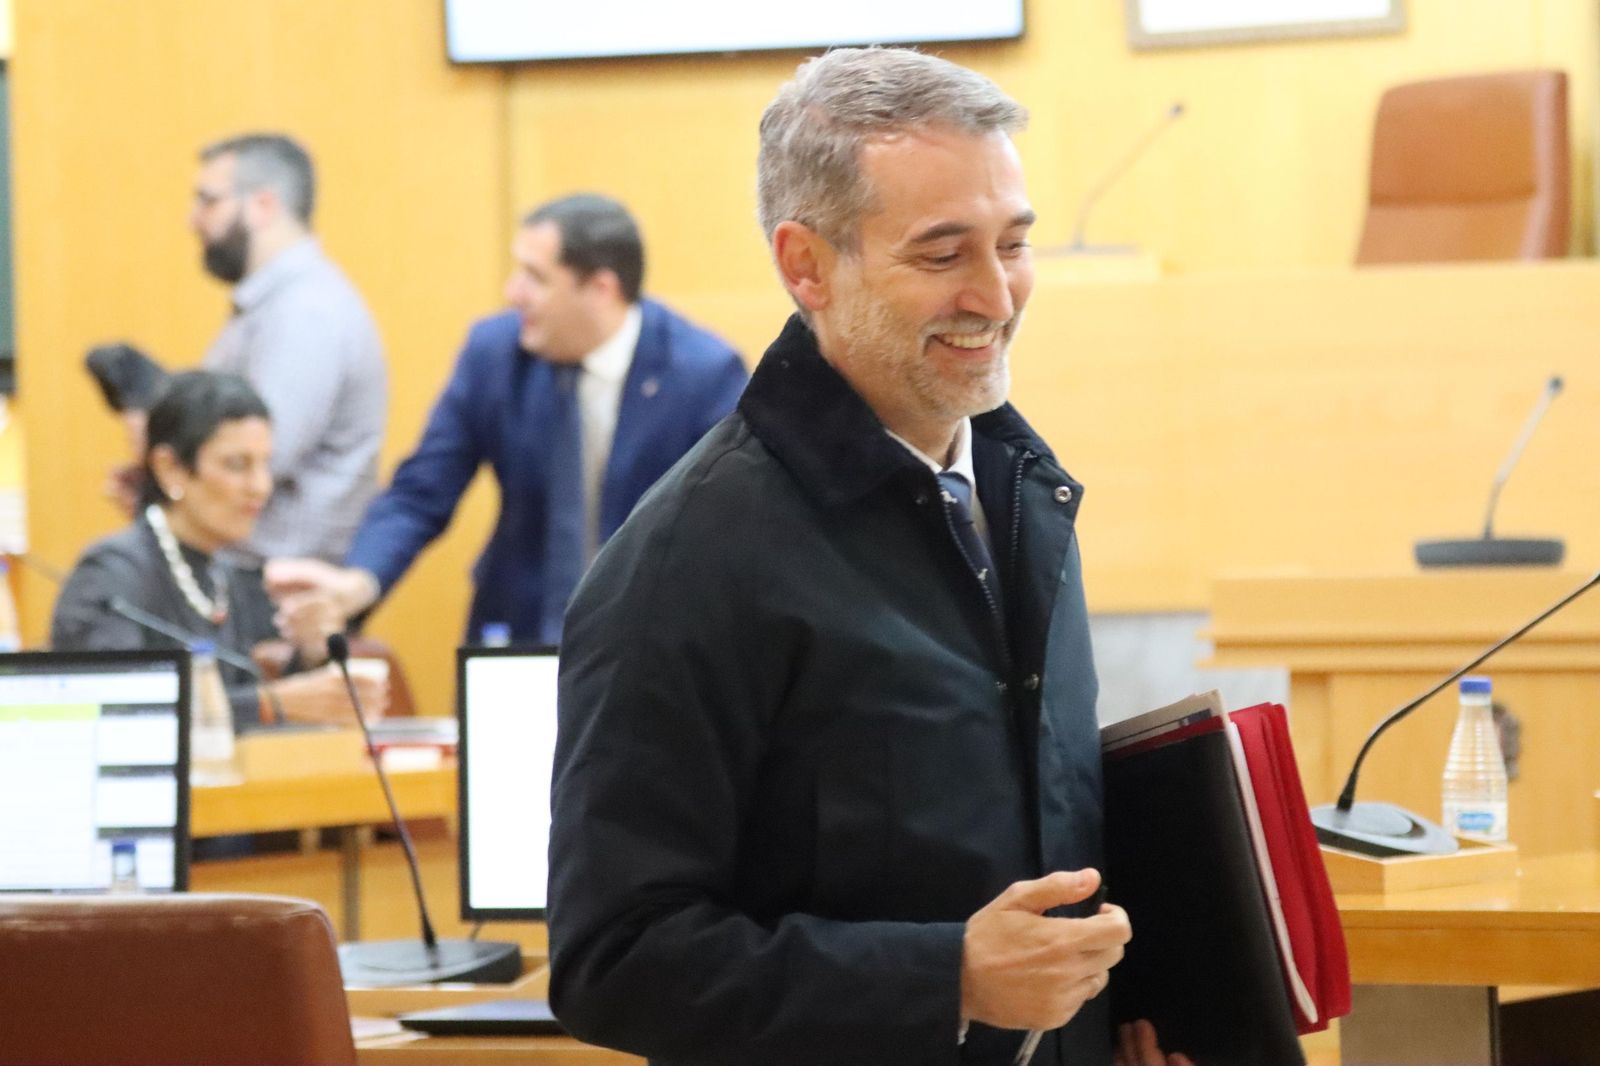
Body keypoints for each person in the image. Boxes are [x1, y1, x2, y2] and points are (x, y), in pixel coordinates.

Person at [546, 49, 1189, 1066]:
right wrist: (950, 979)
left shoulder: (1021, 492)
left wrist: (1113, 1029)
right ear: (805, 264)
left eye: (1013, 244)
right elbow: (612, 961)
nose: (996, 294)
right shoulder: (685, 560)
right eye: (941, 255)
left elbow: (1035, 853)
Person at [264, 194, 748, 645]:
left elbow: (727, 533)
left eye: (535, 278)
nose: (512, 292)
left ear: (601, 288)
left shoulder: (703, 374)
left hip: (653, 642)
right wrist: (359, 580)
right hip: (519, 630)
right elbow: (422, 489)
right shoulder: (494, 354)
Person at [51, 371, 388, 732]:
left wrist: (309, 654)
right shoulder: (112, 576)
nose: (260, 487)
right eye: (237, 465)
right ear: (170, 469)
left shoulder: (222, 574)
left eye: (265, 464)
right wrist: (275, 703)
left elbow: (247, 713)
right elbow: (119, 715)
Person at [191, 132, 387, 563]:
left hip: (277, 596)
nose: (193, 219)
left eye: (208, 201)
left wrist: (170, 470)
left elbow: (255, 458)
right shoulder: (274, 303)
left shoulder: (305, 312)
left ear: (262, 205)